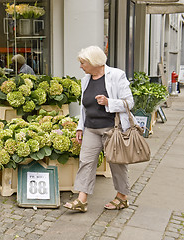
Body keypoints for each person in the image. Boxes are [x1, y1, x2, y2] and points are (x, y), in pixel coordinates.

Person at [63, 46, 135, 212]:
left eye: (83, 63)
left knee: (117, 164)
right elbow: (84, 107)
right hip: (91, 128)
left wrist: (109, 102)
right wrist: (80, 127)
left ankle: (122, 197)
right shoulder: (86, 79)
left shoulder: (117, 75)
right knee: (86, 162)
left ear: (94, 62)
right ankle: (82, 199)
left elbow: (129, 103)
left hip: (112, 128)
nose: (81, 66)